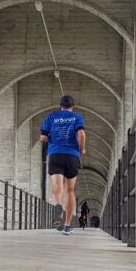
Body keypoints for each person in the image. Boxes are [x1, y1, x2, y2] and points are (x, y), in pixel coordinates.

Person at [40, 95, 86, 236]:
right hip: (72, 155)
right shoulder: (77, 117)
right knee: (70, 191)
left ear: (60, 105)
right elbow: (82, 133)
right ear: (73, 106)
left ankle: (57, 216)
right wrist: (81, 149)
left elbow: (43, 137)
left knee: (57, 189)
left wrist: (53, 140)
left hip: (55, 154)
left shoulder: (51, 116)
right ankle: (67, 226)